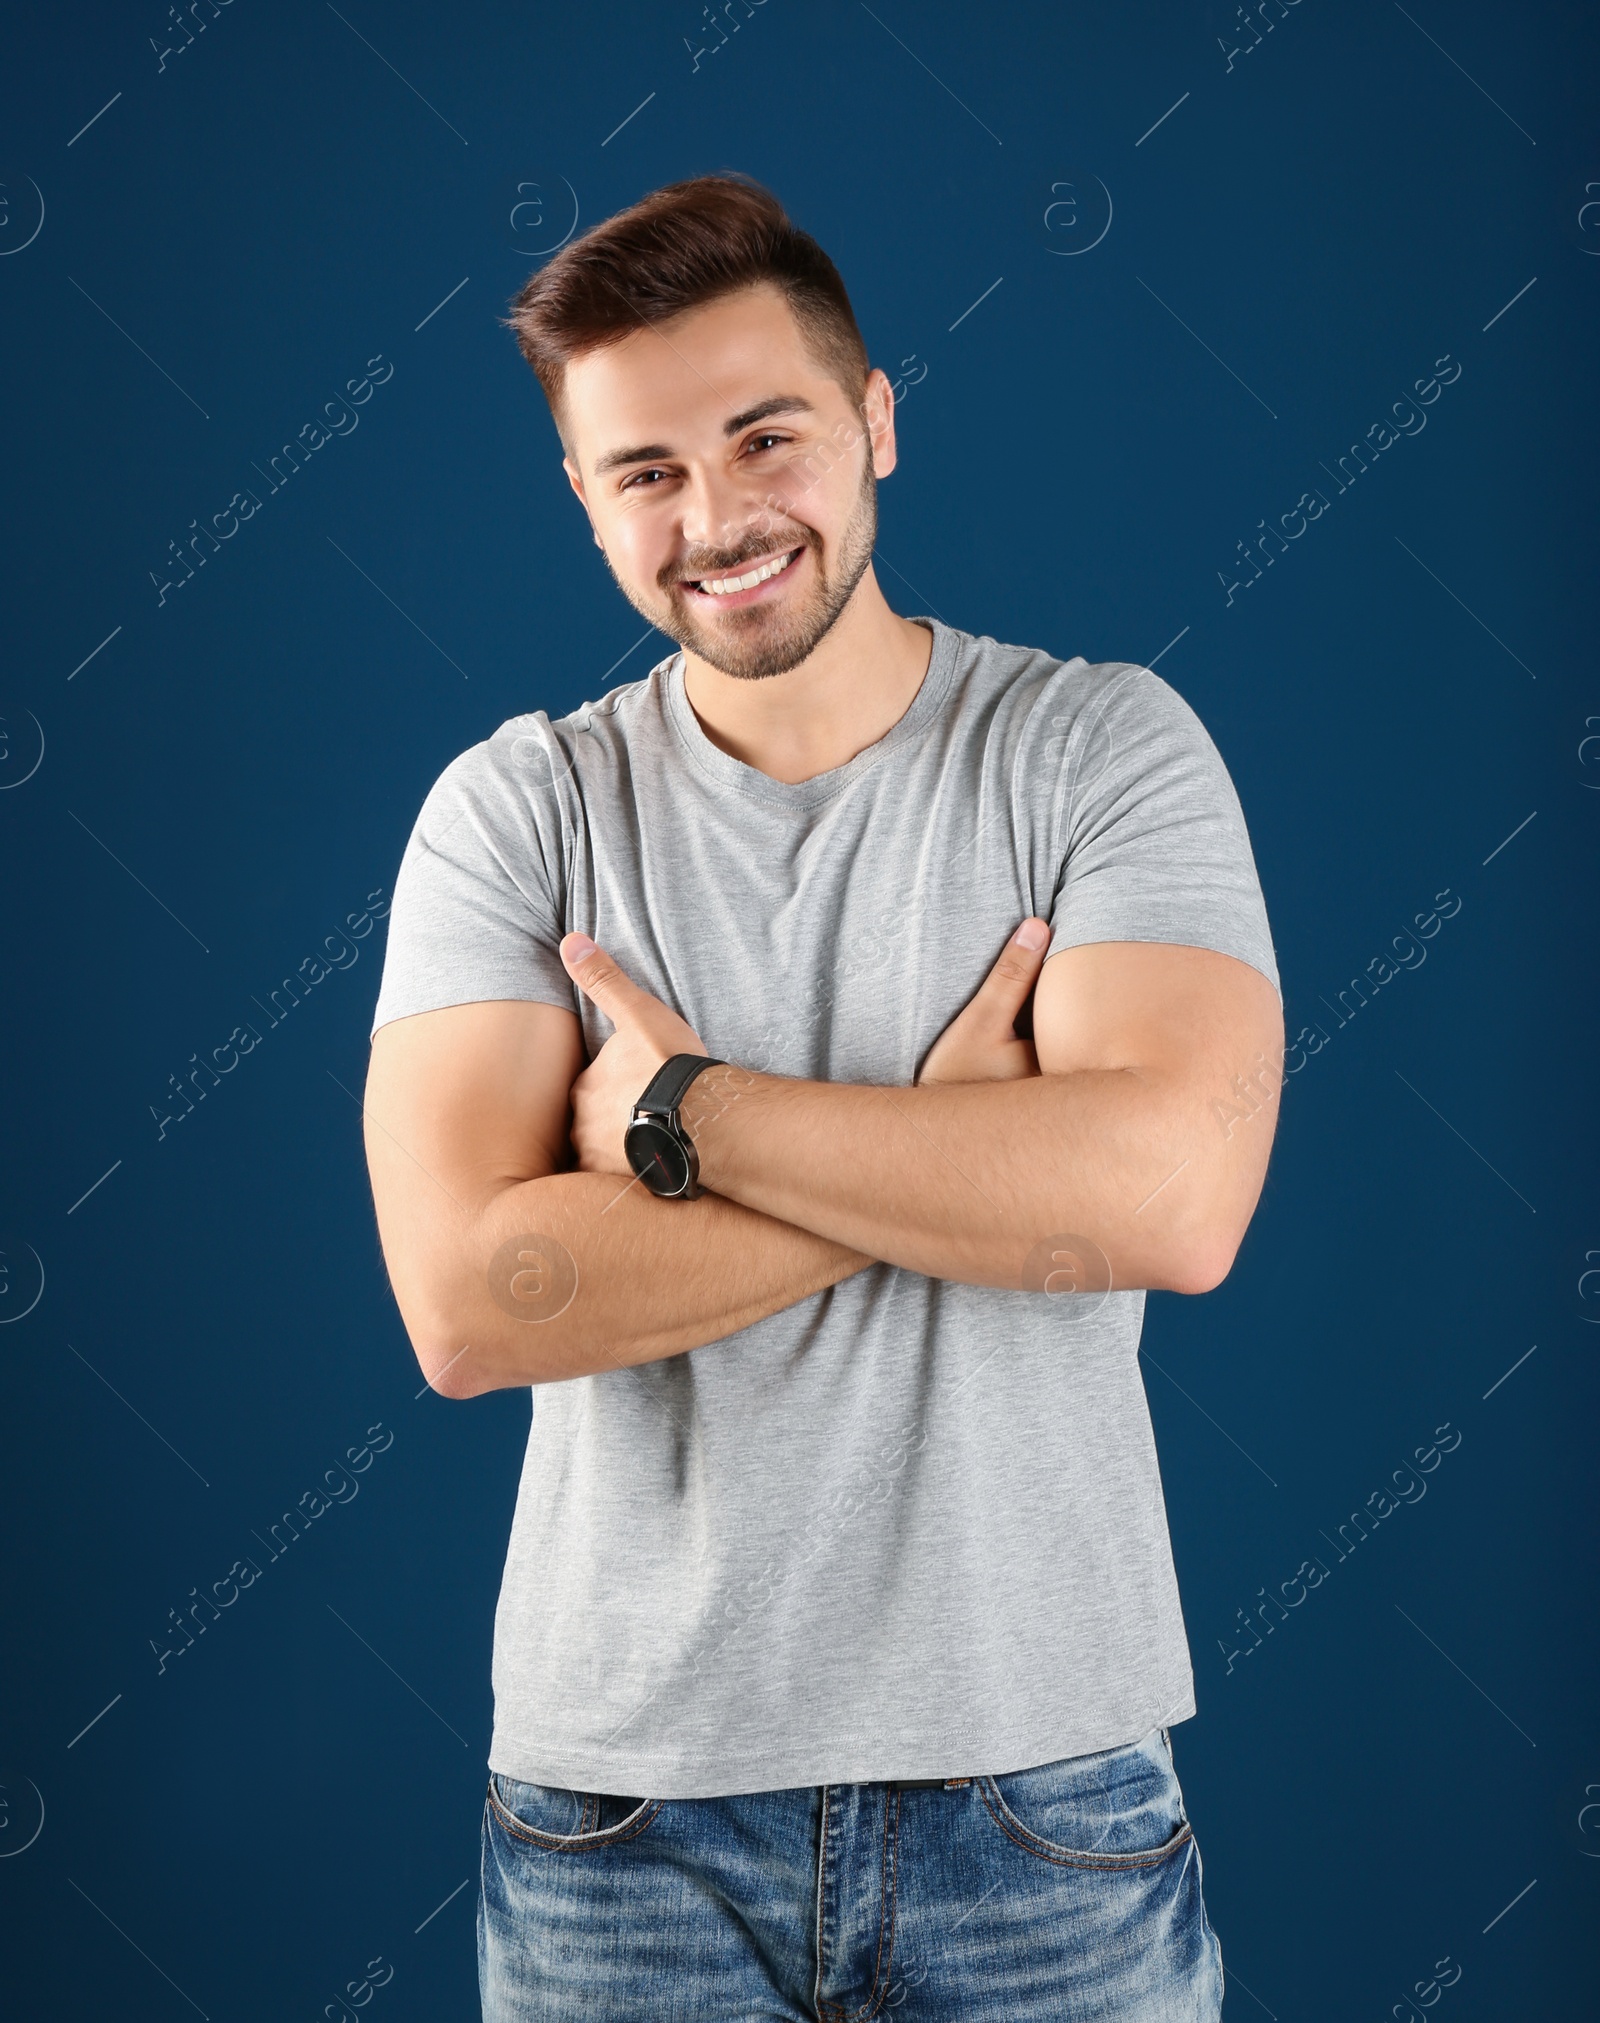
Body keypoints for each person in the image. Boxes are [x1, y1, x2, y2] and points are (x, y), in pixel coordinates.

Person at [363, 173, 1283, 2022]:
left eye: (763, 435)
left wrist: (683, 1119)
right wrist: (963, 1149)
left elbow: (1173, 1200)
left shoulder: (1099, 750)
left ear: (874, 422)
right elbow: (472, 1305)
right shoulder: (518, 813)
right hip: (620, 1820)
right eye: (644, 473)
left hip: (1047, 1793)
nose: (716, 520)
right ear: (583, 499)